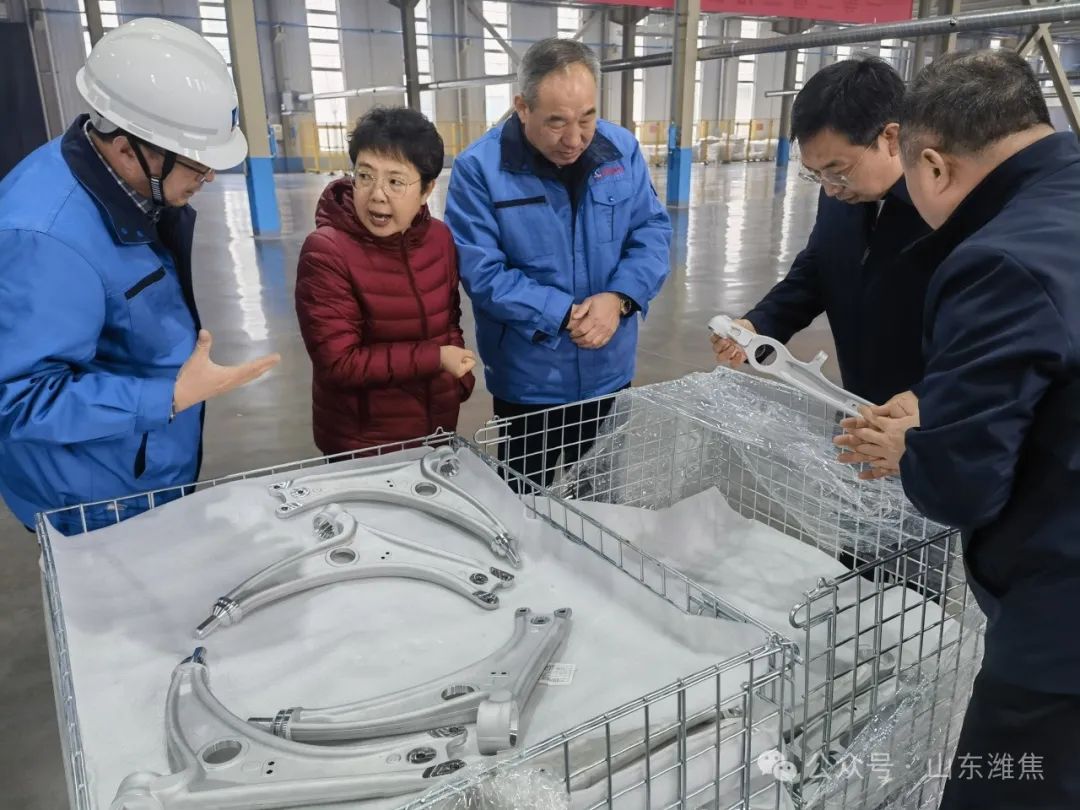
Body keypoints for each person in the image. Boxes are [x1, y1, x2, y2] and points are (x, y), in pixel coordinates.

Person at [834, 50, 1080, 809]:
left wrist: (917, 445)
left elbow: (963, 486)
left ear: (933, 164)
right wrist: (943, 402)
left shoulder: (1001, 261)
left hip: (1059, 627)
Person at [0, 19, 279, 532]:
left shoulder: (124, 186)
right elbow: (16, 400)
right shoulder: (45, 240)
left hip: (136, 465)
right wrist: (166, 397)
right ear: (128, 148)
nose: (208, 176)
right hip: (95, 503)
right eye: (196, 162)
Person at [445, 38, 671, 488]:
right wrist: (564, 314)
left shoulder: (621, 150)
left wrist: (619, 298)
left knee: (602, 501)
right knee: (525, 503)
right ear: (522, 107)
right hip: (530, 382)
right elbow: (483, 272)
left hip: (609, 370)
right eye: (556, 122)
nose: (574, 139)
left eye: (587, 118)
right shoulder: (479, 169)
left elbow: (652, 231)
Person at [711, 57, 932, 407]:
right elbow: (818, 268)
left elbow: (983, 342)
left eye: (837, 170)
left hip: (930, 416)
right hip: (860, 402)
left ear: (891, 137)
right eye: (816, 174)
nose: (829, 188)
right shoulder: (841, 195)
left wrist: (928, 405)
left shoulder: (941, 213)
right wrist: (757, 326)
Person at [295, 107, 476, 454]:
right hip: (363, 443)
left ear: (426, 189)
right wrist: (436, 358)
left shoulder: (439, 239)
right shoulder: (327, 251)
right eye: (365, 176)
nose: (377, 194)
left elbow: (449, 320)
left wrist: (459, 382)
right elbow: (339, 362)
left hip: (437, 429)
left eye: (395, 181)